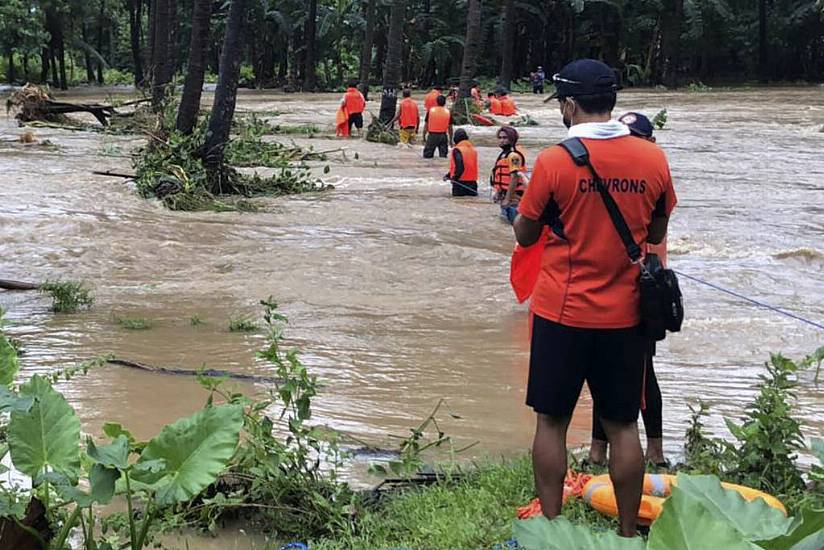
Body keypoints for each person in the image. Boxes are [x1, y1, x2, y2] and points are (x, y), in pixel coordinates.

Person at [512, 59, 677, 538]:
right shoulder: (653, 159)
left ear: (568, 104)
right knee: (624, 424)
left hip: (561, 313)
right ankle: (628, 533)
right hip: (626, 314)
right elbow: (658, 230)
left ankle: (551, 528)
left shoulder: (554, 162)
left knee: (552, 421)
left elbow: (525, 235)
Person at [588, 111, 666, 468]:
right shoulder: (629, 169)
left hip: (644, 285)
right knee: (601, 371)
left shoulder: (653, 170)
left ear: (649, 141)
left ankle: (656, 451)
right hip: (607, 284)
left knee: (642, 372)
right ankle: (596, 450)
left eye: (635, 137)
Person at [490, 126, 528, 223]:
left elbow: (514, 178)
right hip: (505, 198)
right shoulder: (503, 155)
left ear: (512, 139)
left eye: (505, 138)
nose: (502, 140)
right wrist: (498, 192)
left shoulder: (513, 156)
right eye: (500, 138)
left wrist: (507, 199)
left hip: (514, 200)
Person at [443, 128, 479, 196]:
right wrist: (448, 175)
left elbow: (460, 167)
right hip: (473, 184)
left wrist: (454, 178)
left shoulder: (457, 150)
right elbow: (467, 165)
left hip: (460, 184)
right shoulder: (472, 149)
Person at [422, 95, 453, 159]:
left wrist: (424, 136)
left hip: (432, 136)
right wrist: (450, 140)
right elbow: (450, 128)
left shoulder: (430, 111)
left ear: (436, 102)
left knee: (427, 156)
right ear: (445, 103)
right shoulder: (448, 112)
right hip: (443, 136)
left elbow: (426, 125)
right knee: (443, 156)